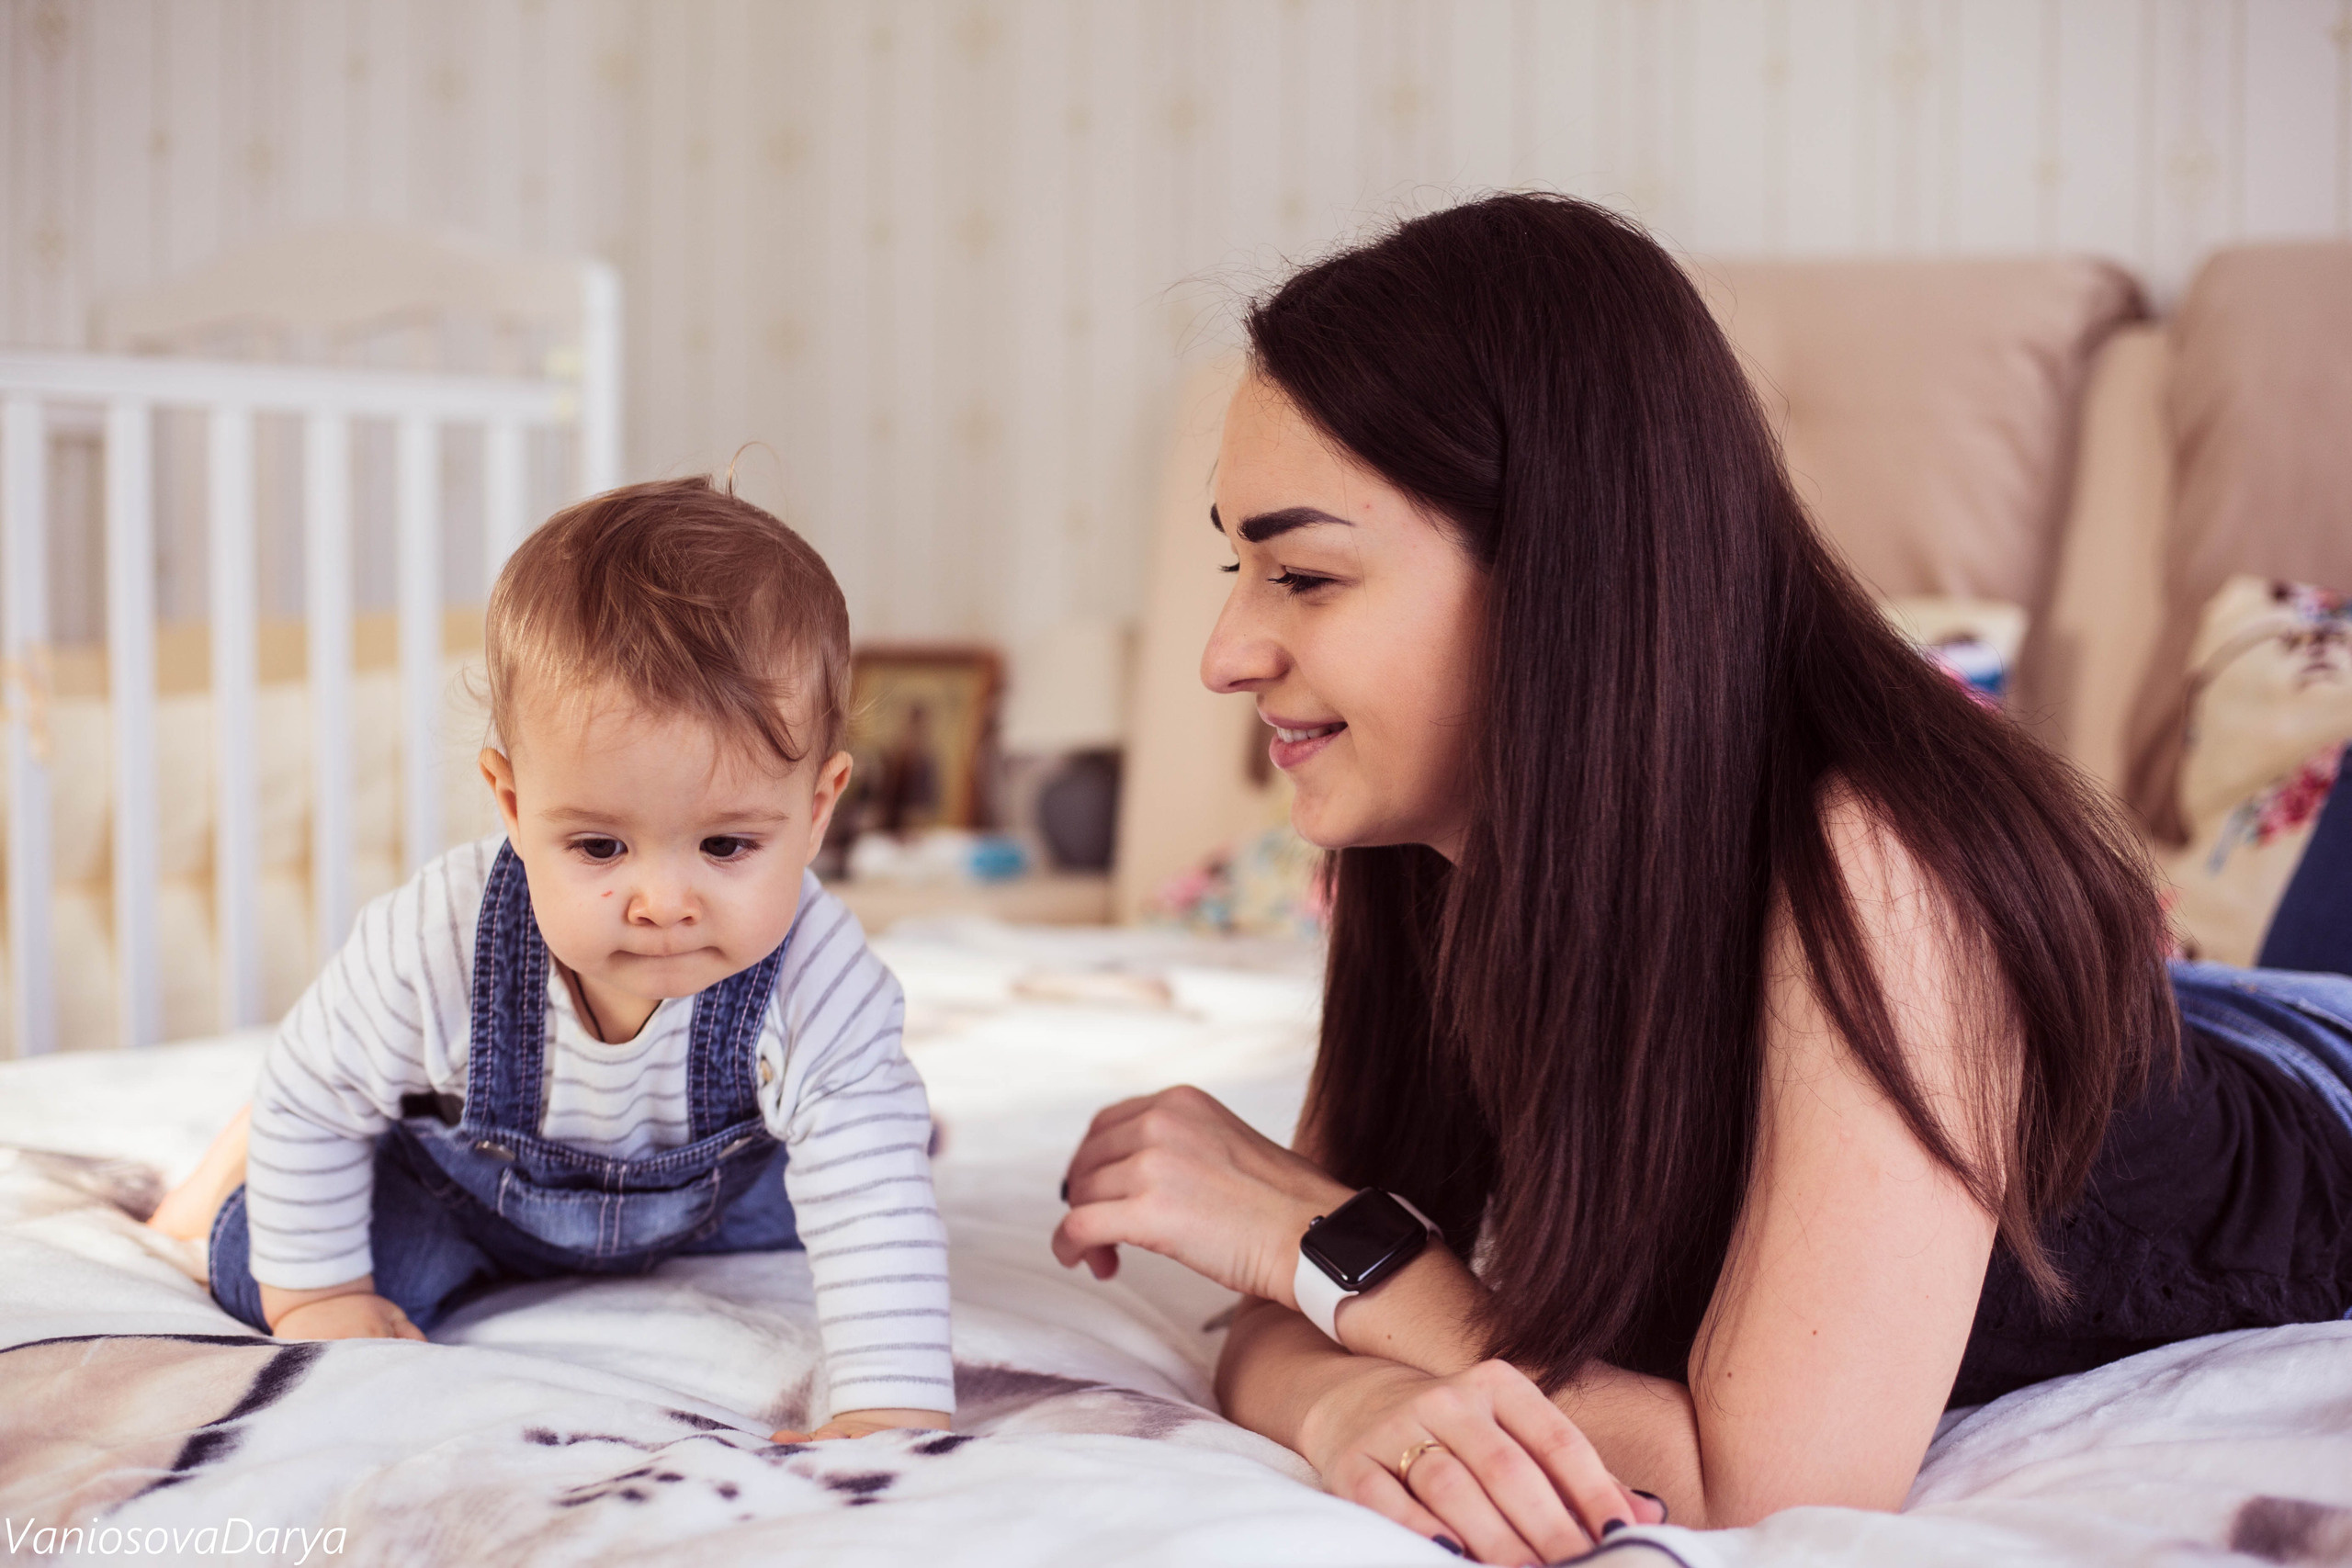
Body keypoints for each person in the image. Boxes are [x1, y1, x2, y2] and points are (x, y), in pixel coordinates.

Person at [1050, 194, 2352, 1563]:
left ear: (1563, 574)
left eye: (1304, 574)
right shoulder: (1435, 852)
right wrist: (1356, 1397)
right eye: (1234, 564)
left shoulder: (1886, 867)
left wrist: (1335, 1241)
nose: (1223, 652)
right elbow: (1288, 1307)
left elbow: (1767, 1478)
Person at [150, 478, 953, 1443]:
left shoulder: (820, 975)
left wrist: (884, 1412)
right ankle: (246, 1142)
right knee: (262, 1266)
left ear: (817, 809)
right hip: (469, 1202)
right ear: (513, 801)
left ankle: (872, 1104)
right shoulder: (436, 941)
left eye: (728, 847)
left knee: (875, 1165)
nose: (662, 903)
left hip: (707, 1202)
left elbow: (871, 1210)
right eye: (602, 848)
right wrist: (320, 1296)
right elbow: (311, 1094)